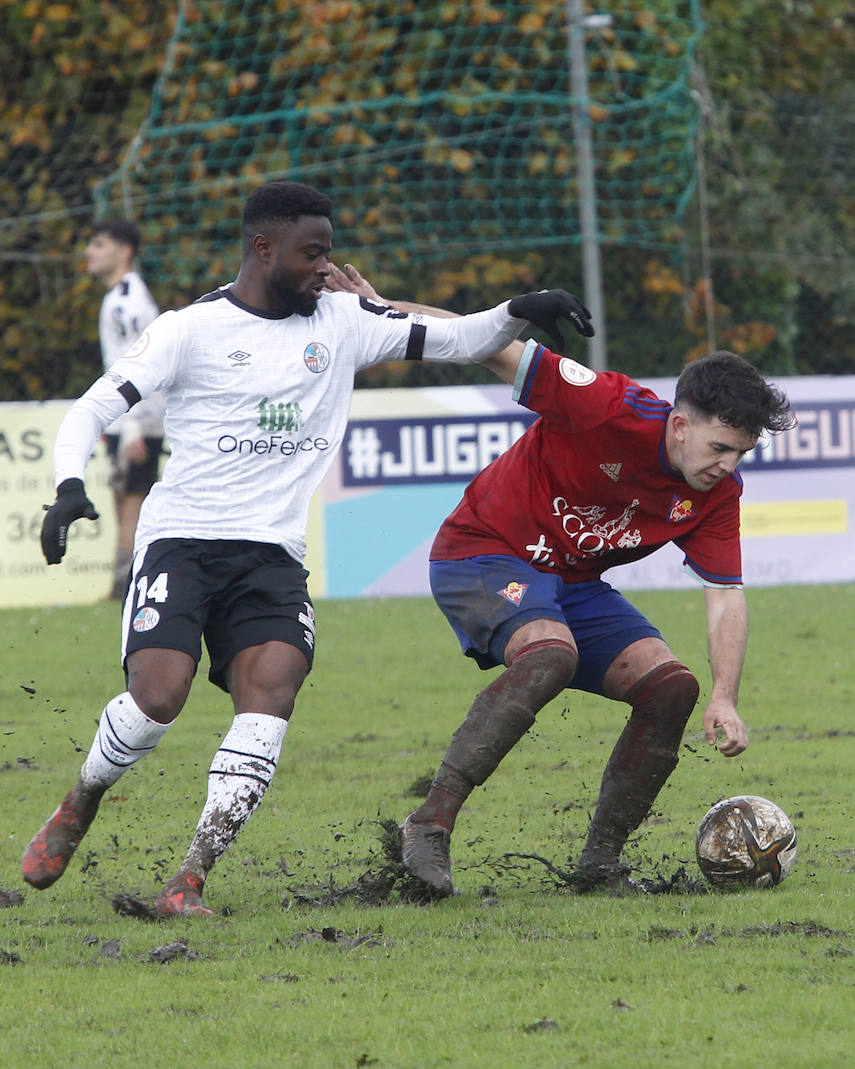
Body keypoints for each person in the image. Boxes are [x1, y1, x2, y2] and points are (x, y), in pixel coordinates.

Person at [24, 180, 593, 916]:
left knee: (272, 697)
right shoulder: (188, 329)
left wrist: (520, 310)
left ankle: (188, 878)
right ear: (263, 248)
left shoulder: (344, 320)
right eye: (311, 252)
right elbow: (95, 405)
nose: (327, 267)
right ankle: (84, 796)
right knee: (156, 700)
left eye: (329, 251)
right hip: (182, 544)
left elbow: (455, 340)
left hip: (271, 558)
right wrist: (70, 486)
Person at [328, 264, 796, 896]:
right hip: (482, 554)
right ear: (680, 425)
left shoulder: (717, 494)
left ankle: (600, 866)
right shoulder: (603, 404)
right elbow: (487, 342)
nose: (727, 465)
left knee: (671, 689)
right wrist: (384, 310)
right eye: (719, 448)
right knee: (550, 652)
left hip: (569, 584)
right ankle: (429, 825)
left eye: (740, 453)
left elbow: (725, 597)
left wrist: (724, 696)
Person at [84, 219, 165, 598]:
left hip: (136, 422)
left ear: (124, 251)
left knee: (133, 505)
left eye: (100, 244)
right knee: (123, 503)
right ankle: (128, 583)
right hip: (125, 421)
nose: (90, 252)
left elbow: (137, 365)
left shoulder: (128, 303)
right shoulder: (120, 297)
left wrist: (133, 424)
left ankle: (126, 588)